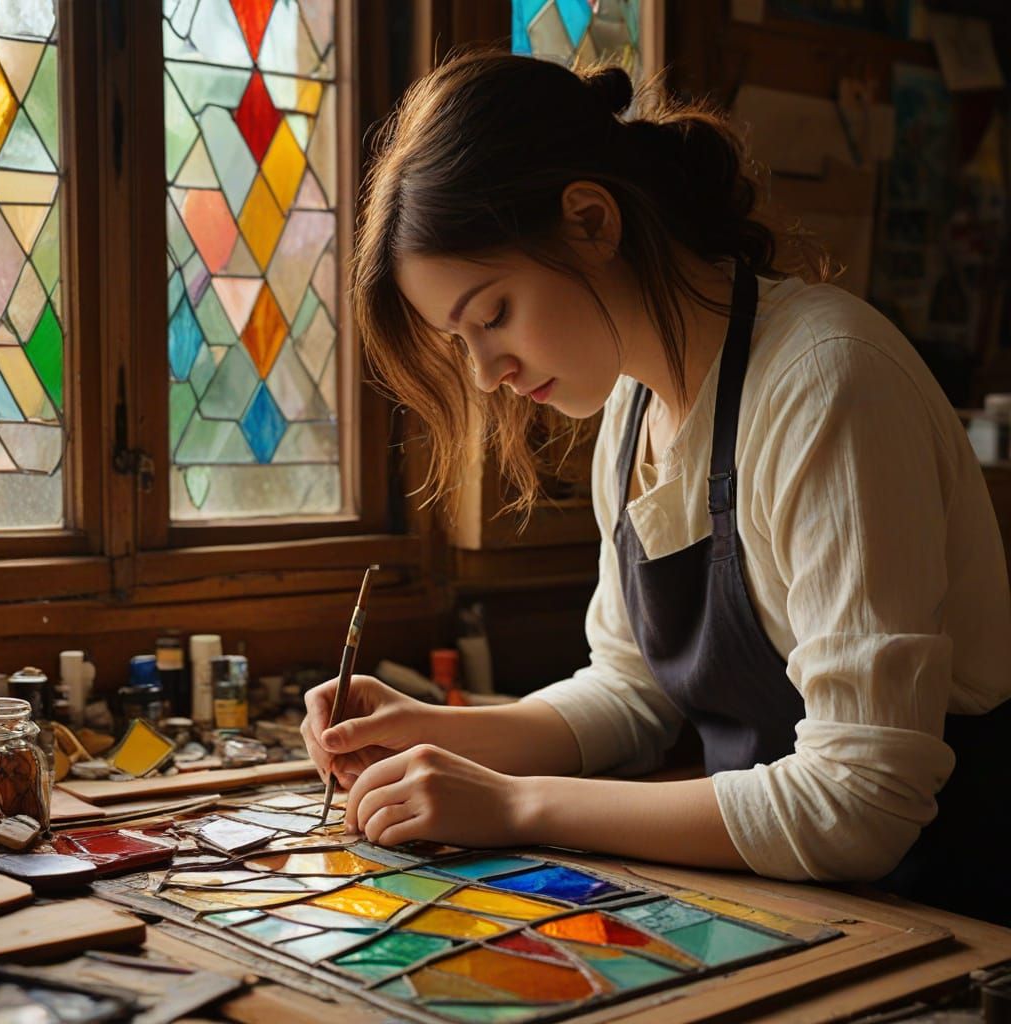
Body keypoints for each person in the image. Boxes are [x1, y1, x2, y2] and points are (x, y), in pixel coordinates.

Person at [301, 51, 1011, 924]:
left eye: (492, 314)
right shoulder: (637, 410)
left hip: (949, 911)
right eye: (462, 340)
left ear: (591, 220)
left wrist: (517, 806)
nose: (487, 372)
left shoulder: (827, 382)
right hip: (798, 903)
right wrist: (431, 732)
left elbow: (860, 801)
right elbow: (631, 694)